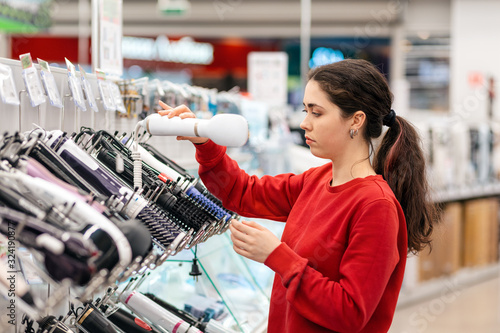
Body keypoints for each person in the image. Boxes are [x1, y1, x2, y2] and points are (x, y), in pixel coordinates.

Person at [158, 59, 437, 333]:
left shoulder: (376, 206)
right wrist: (203, 140)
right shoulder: (316, 180)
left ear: (356, 120)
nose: (304, 123)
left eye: (316, 113)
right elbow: (241, 192)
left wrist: (276, 255)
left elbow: (349, 313)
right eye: (305, 111)